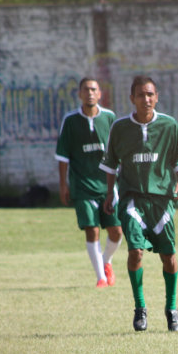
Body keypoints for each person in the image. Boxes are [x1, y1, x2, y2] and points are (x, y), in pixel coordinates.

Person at [101, 75, 178, 332]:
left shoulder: (169, 126)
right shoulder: (119, 128)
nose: (146, 99)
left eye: (150, 94)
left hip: (162, 200)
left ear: (157, 97)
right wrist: (109, 193)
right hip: (132, 199)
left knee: (168, 256)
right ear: (132, 99)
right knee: (135, 251)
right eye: (140, 95)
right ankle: (140, 308)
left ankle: (171, 309)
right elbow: (110, 164)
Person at [56, 77, 122, 288]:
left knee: (116, 231)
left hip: (108, 186)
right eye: (86, 90)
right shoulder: (70, 120)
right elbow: (63, 156)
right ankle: (101, 278)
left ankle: (106, 262)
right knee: (92, 229)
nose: (90, 93)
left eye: (94, 89)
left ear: (100, 93)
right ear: (79, 94)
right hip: (82, 186)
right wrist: (63, 185)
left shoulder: (110, 118)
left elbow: (120, 152)